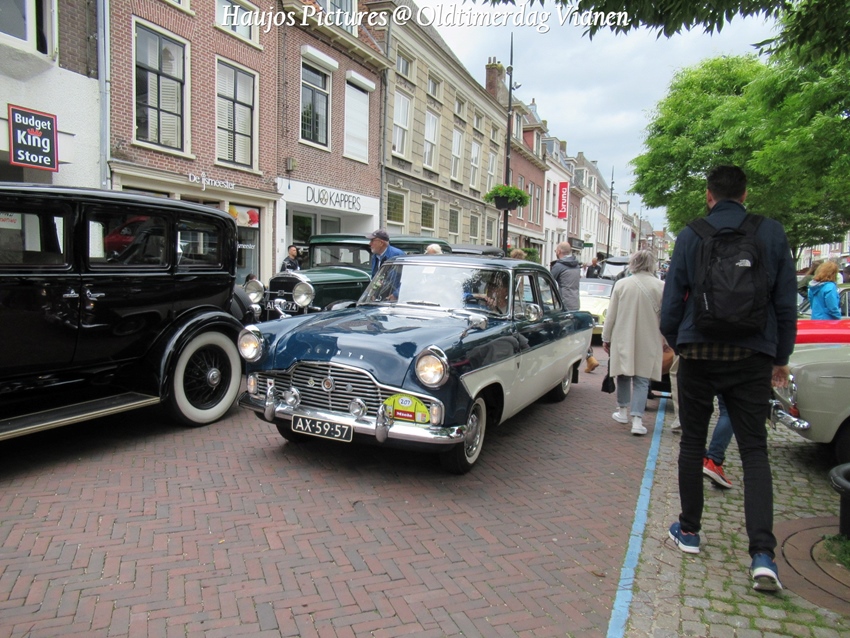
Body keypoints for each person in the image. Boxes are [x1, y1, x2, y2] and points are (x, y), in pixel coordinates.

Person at [661, 165, 797, 592]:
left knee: (692, 443)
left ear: (709, 195)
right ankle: (762, 556)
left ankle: (689, 530)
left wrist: (680, 343)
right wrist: (780, 357)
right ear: (745, 194)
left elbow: (671, 303)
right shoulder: (770, 233)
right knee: (754, 450)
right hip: (752, 355)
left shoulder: (691, 234)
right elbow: (785, 302)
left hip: (699, 352)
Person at [601, 249, 665, 436]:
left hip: (623, 335)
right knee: (642, 378)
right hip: (650, 337)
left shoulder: (622, 284)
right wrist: (666, 339)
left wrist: (606, 337)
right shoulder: (661, 286)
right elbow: (666, 317)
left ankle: (622, 412)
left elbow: (611, 315)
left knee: (623, 373)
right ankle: (637, 420)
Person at [550, 242, 581, 311]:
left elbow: (548, 281)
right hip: (575, 303)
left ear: (559, 251)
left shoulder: (559, 266)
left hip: (563, 304)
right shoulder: (576, 265)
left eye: (555, 251)